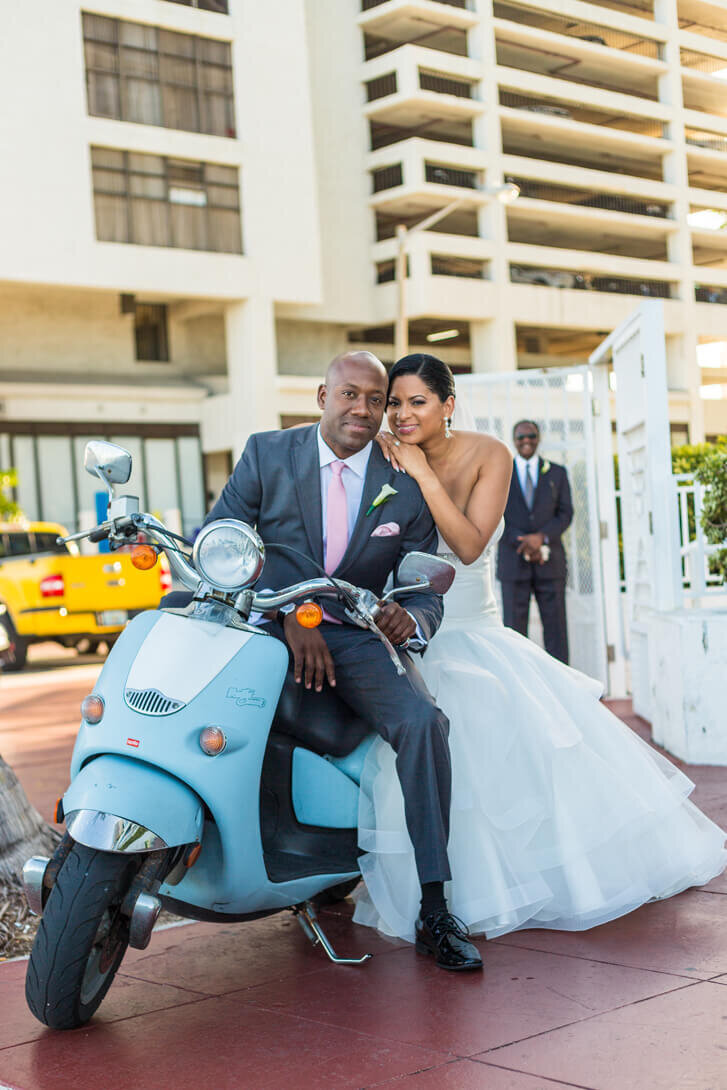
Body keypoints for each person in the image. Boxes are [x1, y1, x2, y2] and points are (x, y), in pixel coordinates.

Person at [354, 353, 727, 943]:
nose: (400, 414)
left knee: (498, 756)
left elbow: (471, 545)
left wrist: (422, 474)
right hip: (399, 627)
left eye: (416, 401)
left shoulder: (489, 454)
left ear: (447, 406)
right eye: (394, 402)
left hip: (472, 630)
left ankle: (502, 887)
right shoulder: (379, 456)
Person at [200, 351, 482, 970]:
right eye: (349, 394)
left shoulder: (405, 481)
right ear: (321, 394)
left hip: (354, 636)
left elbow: (417, 578)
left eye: (375, 400)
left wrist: (413, 617)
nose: (362, 409)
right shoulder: (266, 453)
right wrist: (288, 616)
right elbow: (223, 537)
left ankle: (435, 907)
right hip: (265, 622)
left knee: (422, 723)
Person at [498, 421, 573, 663]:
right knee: (514, 634)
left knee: (556, 631)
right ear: (514, 439)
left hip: (549, 564)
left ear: (538, 438)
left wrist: (541, 539)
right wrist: (523, 541)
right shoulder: (500, 472)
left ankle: (562, 688)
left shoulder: (557, 473)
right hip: (513, 563)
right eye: (520, 437)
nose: (526, 440)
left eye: (531, 436)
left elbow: (566, 513)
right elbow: (494, 514)